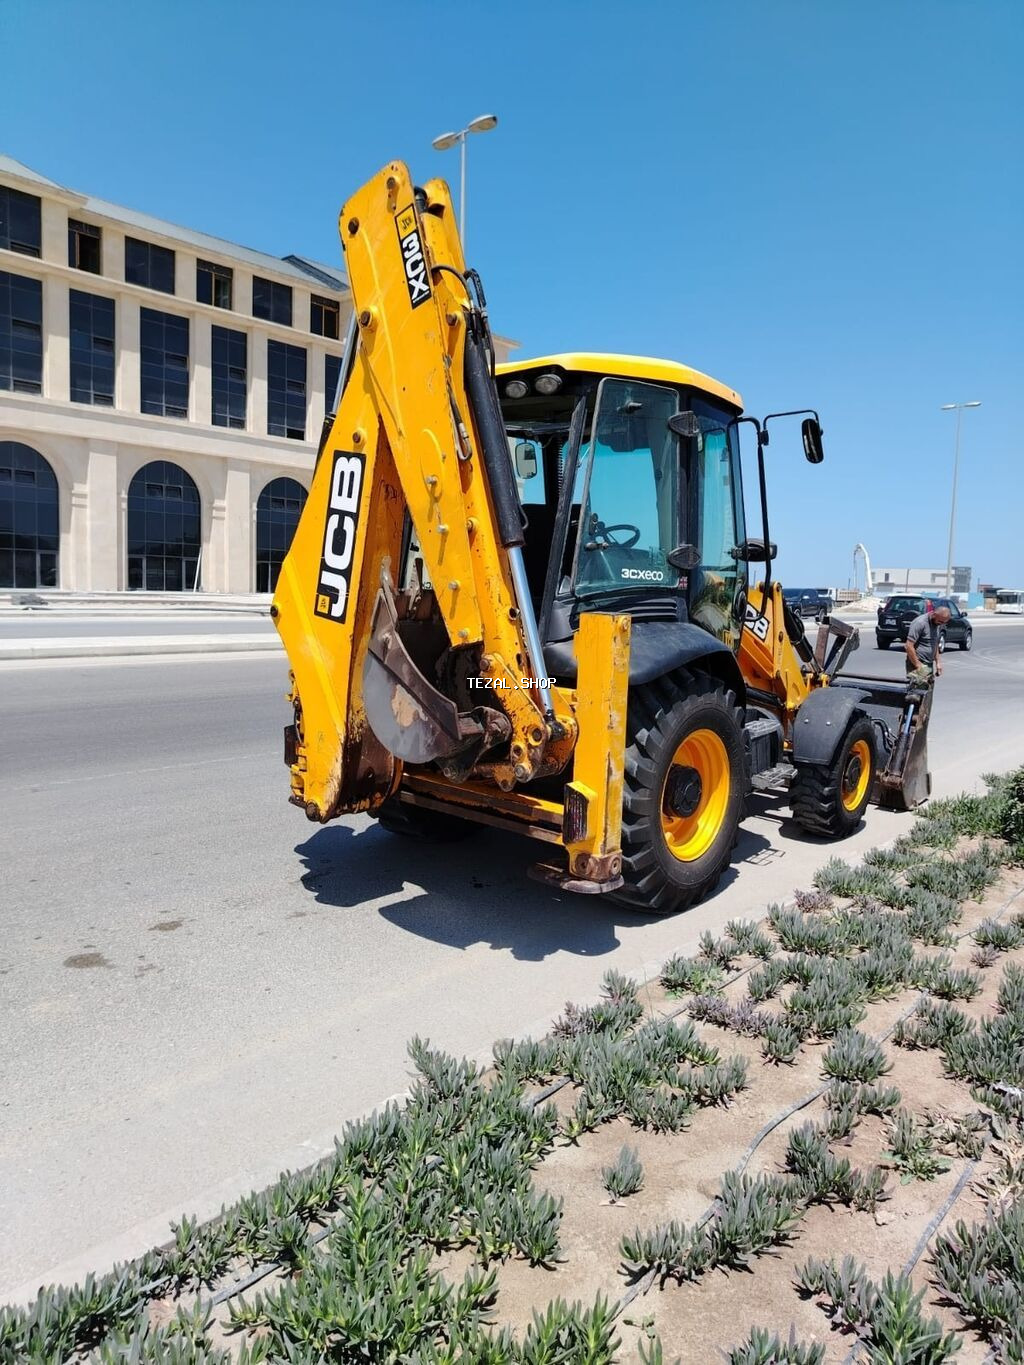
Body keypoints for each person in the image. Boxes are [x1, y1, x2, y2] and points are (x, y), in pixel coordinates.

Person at [905, 605, 950, 682]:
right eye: (940, 621)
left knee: (927, 691)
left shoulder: (937, 624)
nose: (941, 624)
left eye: (944, 622)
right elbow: (908, 646)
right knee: (917, 691)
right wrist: (918, 665)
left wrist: (938, 663)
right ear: (934, 614)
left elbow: (934, 643)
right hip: (918, 662)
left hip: (929, 662)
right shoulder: (920, 623)